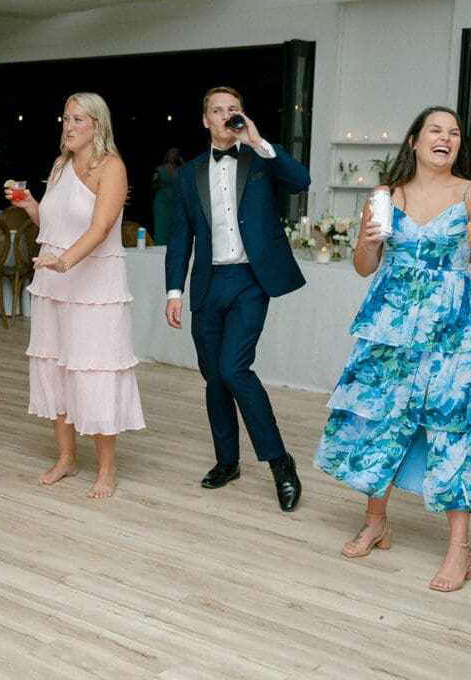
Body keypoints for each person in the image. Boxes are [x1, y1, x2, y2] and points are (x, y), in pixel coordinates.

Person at [314, 106, 471, 592]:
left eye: (454, 133)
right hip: (390, 325)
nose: (446, 138)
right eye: (436, 130)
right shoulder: (386, 196)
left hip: (451, 330)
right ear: (414, 141)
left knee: (451, 427)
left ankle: (460, 549)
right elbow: (365, 266)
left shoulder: (468, 193)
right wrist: (366, 240)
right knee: (379, 418)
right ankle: (376, 523)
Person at [164, 86, 309, 512]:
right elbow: (179, 238)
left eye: (234, 109)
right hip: (208, 284)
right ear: (205, 119)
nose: (226, 115)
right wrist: (174, 291)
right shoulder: (188, 174)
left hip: (251, 280)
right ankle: (227, 461)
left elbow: (300, 182)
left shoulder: (261, 159)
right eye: (218, 110)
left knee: (234, 368)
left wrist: (259, 142)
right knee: (215, 377)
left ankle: (280, 462)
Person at [7, 92, 146, 499]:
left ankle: (107, 468)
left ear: (97, 126)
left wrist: (64, 261)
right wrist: (30, 205)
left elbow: (100, 229)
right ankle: (66, 459)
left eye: (78, 119)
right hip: (53, 283)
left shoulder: (112, 167)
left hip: (94, 286)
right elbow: (52, 224)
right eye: (66, 119)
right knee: (54, 366)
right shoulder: (59, 164)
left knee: (94, 369)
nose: (68, 126)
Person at [151, 147, 183, 245]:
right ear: (168, 155)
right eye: (172, 152)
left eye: (176, 153)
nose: (174, 155)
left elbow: (188, 180)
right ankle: (159, 248)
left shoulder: (180, 170)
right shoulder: (160, 169)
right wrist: (154, 180)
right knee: (161, 227)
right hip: (161, 202)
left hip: (175, 202)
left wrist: (182, 162)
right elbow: (153, 187)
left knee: (174, 227)